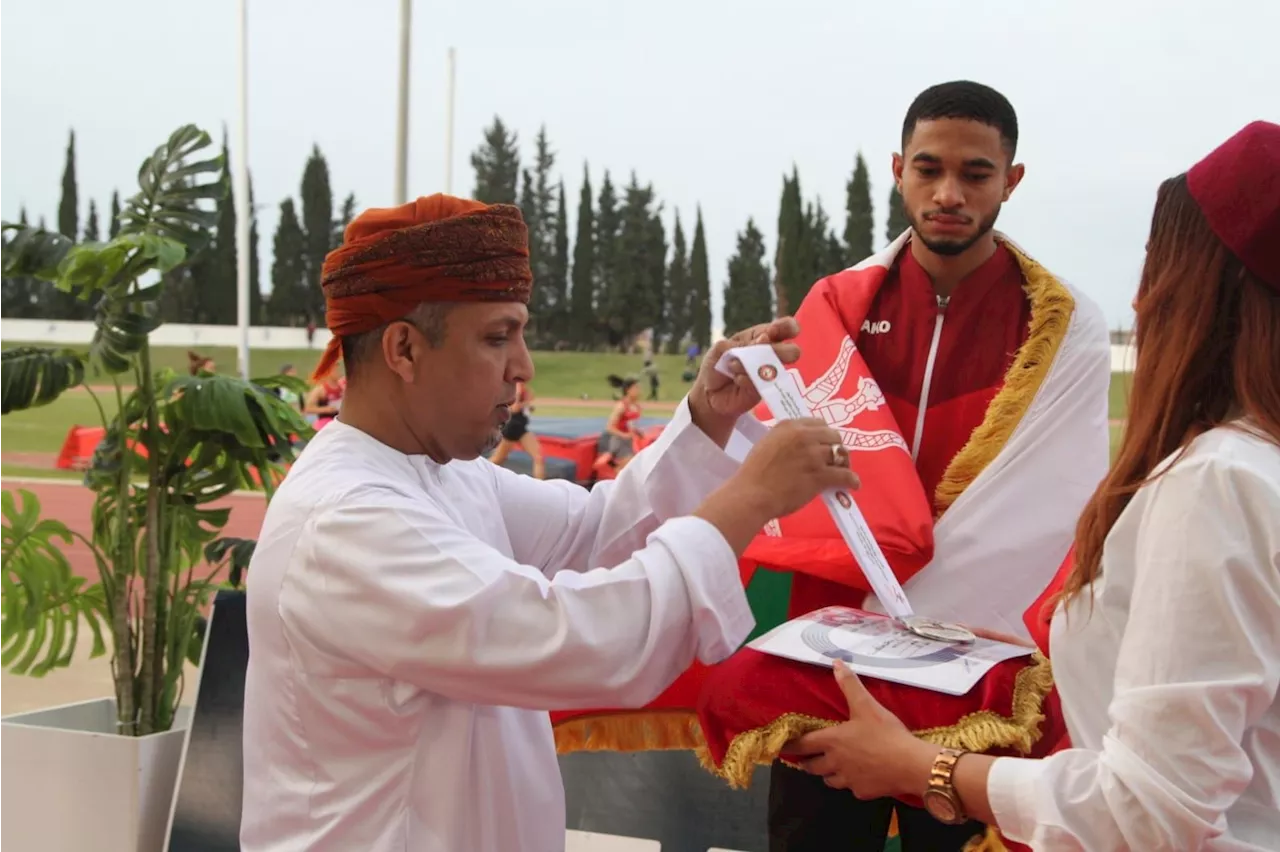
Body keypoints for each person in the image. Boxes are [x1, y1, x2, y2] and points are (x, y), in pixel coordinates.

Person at [238, 193, 862, 852]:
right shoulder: (345, 523)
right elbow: (576, 638)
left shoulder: (443, 473)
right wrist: (750, 498)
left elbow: (596, 531)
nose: (524, 368)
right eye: (497, 336)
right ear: (403, 349)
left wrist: (710, 415)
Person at [786, 120, 1280, 852]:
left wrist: (922, 767)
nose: (1144, 300)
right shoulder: (1249, 466)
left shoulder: (1216, 482)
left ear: (1204, 289)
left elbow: (1151, 812)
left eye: (1157, 262)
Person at [762, 80, 1113, 851]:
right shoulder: (835, 306)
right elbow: (780, 478)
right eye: (928, 168)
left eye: (976, 173)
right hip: (831, 663)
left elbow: (1051, 516)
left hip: (978, 678)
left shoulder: (1066, 324)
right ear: (897, 169)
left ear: (1011, 180)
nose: (948, 192)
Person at [488, 379, 545, 479]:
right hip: (512, 427)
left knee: (538, 458)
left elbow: (526, 406)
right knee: (498, 459)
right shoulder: (516, 387)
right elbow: (514, 409)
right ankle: (480, 474)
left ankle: (541, 487)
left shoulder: (523, 388)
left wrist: (528, 404)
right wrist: (526, 402)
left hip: (521, 428)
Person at [596, 376, 644, 473]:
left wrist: (637, 432)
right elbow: (609, 427)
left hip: (631, 441)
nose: (639, 391)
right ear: (628, 390)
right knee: (626, 469)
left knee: (632, 467)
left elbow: (631, 424)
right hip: (619, 441)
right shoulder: (621, 406)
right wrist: (624, 435)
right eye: (636, 388)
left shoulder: (636, 406)